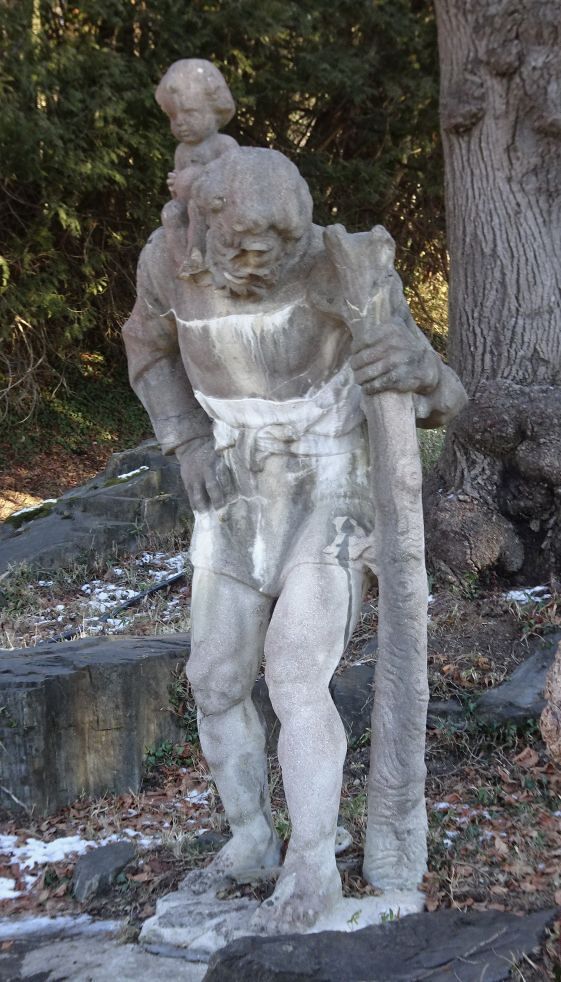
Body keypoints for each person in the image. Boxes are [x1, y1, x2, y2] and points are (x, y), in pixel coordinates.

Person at [122, 146, 466, 933]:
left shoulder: (343, 266)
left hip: (332, 488)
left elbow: (446, 394)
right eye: (240, 249)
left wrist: (414, 365)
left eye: (274, 249)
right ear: (204, 228)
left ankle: (312, 862)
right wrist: (187, 440)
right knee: (214, 680)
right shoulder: (166, 265)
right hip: (235, 490)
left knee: (295, 672)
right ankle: (250, 839)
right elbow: (148, 351)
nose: (256, 264)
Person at [155, 59, 237, 276]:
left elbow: (233, 183)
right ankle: (180, 262)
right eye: (173, 116)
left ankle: (196, 255)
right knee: (170, 212)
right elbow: (178, 191)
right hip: (189, 204)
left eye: (189, 113)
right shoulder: (182, 151)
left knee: (195, 207)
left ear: (216, 110)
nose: (180, 122)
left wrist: (201, 181)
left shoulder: (224, 145)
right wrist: (175, 184)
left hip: (215, 207)